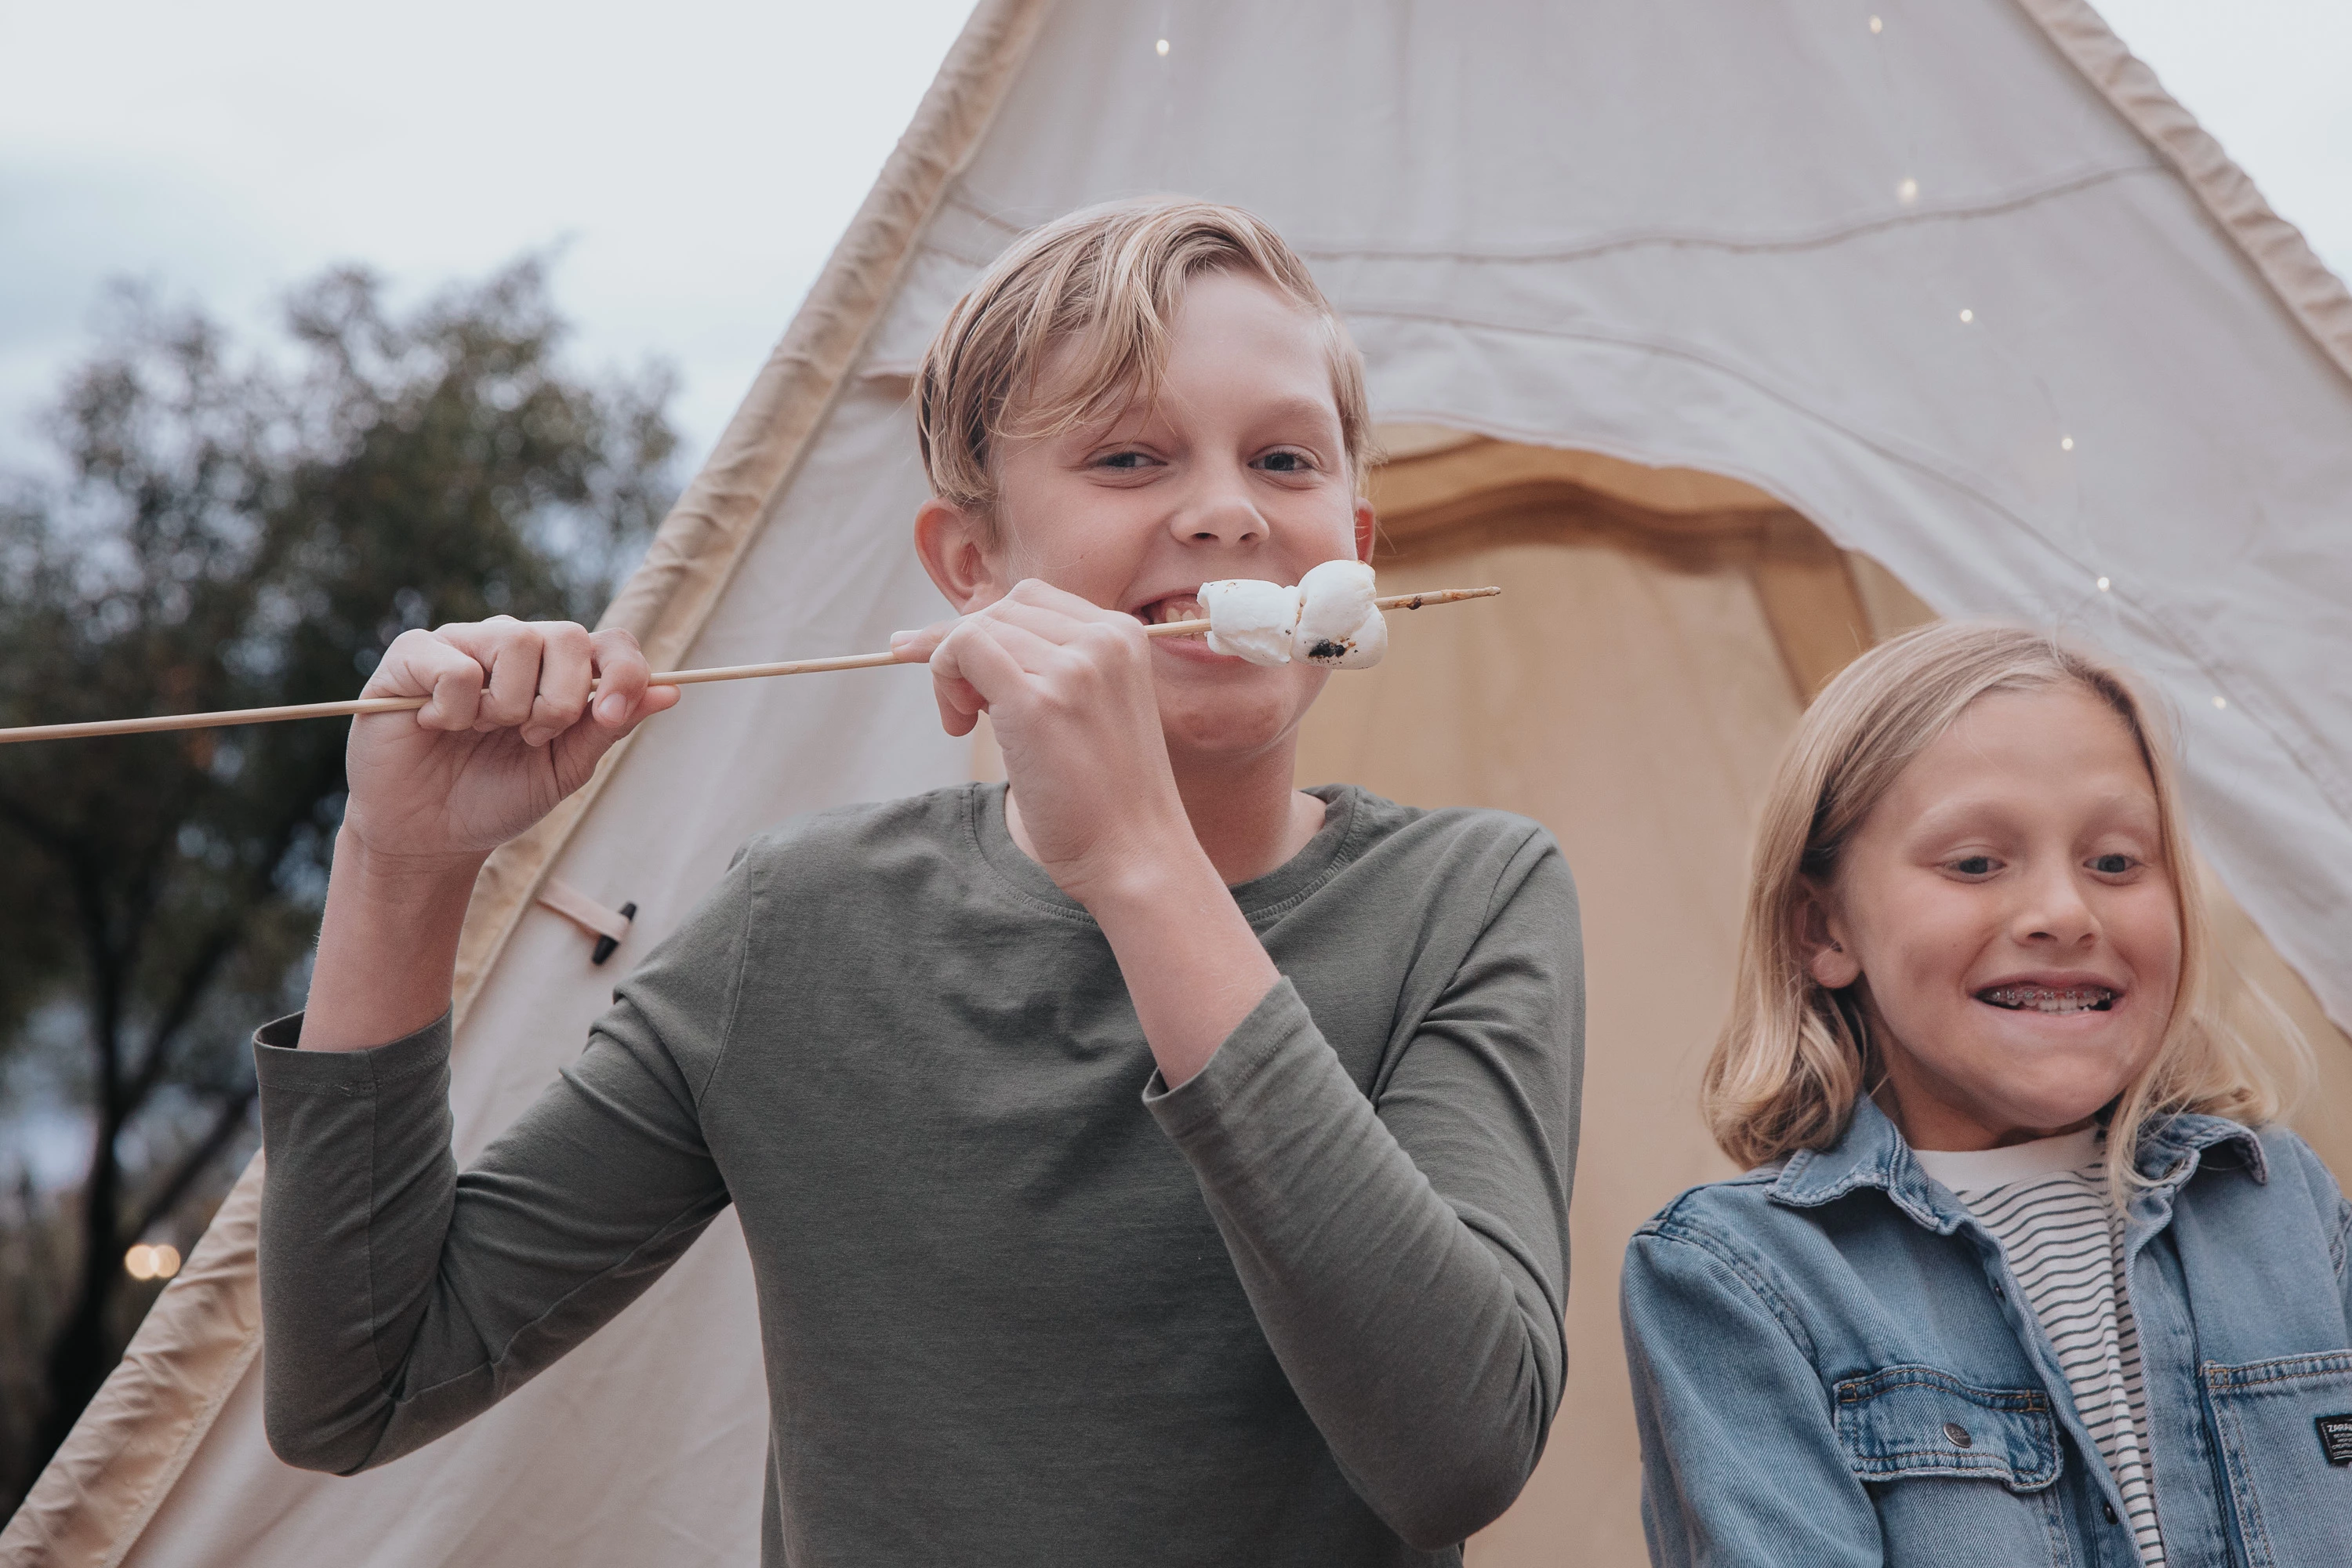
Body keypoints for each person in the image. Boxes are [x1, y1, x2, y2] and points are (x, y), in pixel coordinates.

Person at [253, 198, 1584, 1566]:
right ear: (969, 566)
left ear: (1355, 543)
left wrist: (1140, 866)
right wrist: (402, 864)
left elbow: (1460, 1452)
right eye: (1128, 456)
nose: (1230, 513)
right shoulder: (800, 925)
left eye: (1286, 459)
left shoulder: (1470, 900)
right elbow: (359, 1385)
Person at [1619, 620, 2348, 1566]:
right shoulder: (1736, 1276)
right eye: (1975, 862)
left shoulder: (2283, 1203)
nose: (2064, 912)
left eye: (2117, 861)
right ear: (1821, 926)